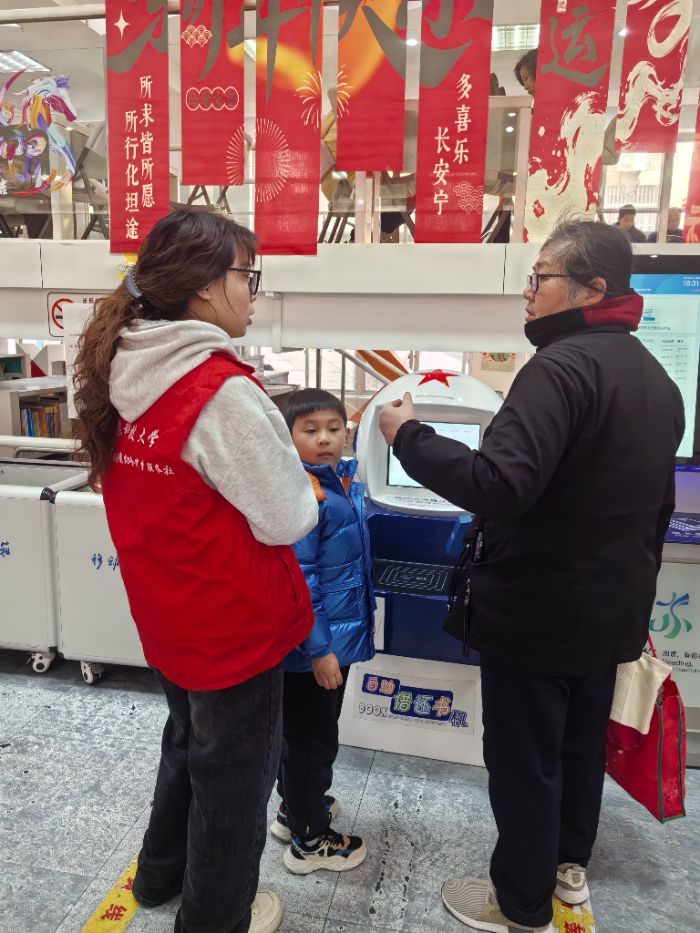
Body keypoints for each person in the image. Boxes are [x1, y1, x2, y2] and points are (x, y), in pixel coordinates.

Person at [378, 220, 684, 933]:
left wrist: (409, 436)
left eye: (540, 276)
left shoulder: (559, 368)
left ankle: (518, 903)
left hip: (539, 610)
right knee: (579, 749)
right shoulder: (654, 377)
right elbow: (655, 508)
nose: (528, 291)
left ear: (590, 289)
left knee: (524, 760)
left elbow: (501, 484)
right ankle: (566, 872)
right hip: (609, 610)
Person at [73, 208, 318, 933]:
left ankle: (158, 876)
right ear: (208, 286)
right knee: (236, 786)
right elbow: (285, 517)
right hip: (235, 627)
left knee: (186, 742)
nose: (253, 293)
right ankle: (213, 918)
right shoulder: (221, 392)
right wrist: (304, 487)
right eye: (250, 276)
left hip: (169, 613)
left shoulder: (117, 362)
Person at [270, 388, 374, 873]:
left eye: (334, 428)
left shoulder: (333, 483)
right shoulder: (304, 496)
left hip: (328, 639)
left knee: (305, 736)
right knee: (313, 742)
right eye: (309, 431)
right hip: (315, 647)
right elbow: (301, 583)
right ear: (285, 438)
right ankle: (311, 843)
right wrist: (320, 651)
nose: (325, 439)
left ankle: (295, 811)